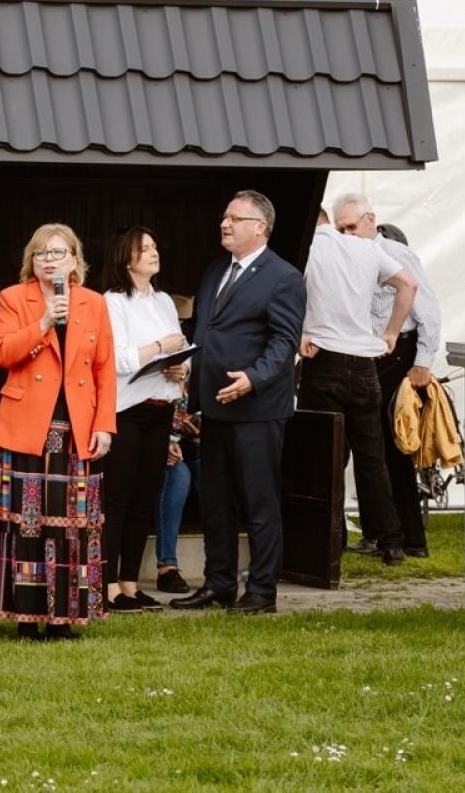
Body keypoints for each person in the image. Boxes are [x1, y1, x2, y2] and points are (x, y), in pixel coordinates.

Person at [0, 223, 115, 639]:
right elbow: (3, 353)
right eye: (41, 253)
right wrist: (42, 323)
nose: (49, 260)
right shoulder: (14, 298)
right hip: (27, 426)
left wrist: (104, 424)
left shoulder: (94, 302)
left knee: (71, 524)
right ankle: (25, 617)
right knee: (26, 522)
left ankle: (65, 618)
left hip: (76, 427)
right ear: (31, 261)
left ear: (74, 260)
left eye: (57, 253)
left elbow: (104, 369)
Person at [172, 190, 305, 615]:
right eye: (224, 217)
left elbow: (284, 341)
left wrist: (253, 379)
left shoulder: (283, 277)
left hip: (258, 410)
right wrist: (185, 367)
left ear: (260, 227)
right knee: (216, 501)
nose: (224, 224)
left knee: (259, 502)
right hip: (215, 406)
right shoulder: (217, 270)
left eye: (235, 218)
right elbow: (204, 330)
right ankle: (219, 583)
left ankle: (262, 591)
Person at [300, 207, 417, 565]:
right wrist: (392, 332)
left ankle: (328, 539)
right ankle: (391, 541)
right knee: (372, 456)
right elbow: (408, 284)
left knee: (324, 457)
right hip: (364, 361)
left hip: (324, 358)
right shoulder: (366, 247)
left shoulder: (308, 249)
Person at [332, 194, 443, 558]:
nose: (348, 234)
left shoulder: (396, 253)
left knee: (392, 445)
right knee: (367, 444)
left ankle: (411, 538)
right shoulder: (345, 256)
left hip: (398, 353)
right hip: (365, 354)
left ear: (371, 220)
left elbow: (428, 311)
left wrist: (422, 362)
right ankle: (379, 532)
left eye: (352, 226)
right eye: (341, 229)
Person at [100, 226, 188, 613]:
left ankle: (130, 584)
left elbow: (182, 348)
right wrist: (159, 348)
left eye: (155, 246)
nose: (154, 252)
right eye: (145, 248)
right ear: (127, 258)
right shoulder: (113, 301)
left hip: (161, 407)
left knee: (144, 499)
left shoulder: (165, 301)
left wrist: (181, 367)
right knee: (117, 499)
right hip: (127, 410)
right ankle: (106, 587)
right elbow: (118, 358)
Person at [153, 295, 200, 594]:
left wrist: (193, 425)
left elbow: (192, 408)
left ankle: (221, 566)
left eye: (184, 326)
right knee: (178, 476)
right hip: (151, 442)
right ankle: (167, 566)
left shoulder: (192, 359)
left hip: (185, 443)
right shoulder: (155, 354)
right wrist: (167, 441)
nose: (180, 332)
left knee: (213, 473)